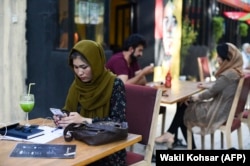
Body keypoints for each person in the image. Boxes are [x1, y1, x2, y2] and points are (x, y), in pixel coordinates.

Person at [155, 43, 243, 149]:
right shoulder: (235, 72)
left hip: (217, 113)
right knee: (184, 107)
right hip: (225, 110)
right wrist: (208, 85)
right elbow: (220, 85)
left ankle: (171, 134)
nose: (217, 59)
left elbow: (211, 92)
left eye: (219, 57)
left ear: (227, 59)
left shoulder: (228, 74)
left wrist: (196, 97)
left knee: (184, 106)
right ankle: (176, 137)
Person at [53, 40, 127, 165]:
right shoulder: (77, 85)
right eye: (76, 67)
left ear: (96, 64)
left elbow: (118, 123)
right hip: (80, 145)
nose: (79, 73)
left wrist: (84, 120)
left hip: (108, 152)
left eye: (84, 67)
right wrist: (63, 118)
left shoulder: (114, 84)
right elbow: (69, 110)